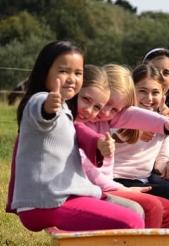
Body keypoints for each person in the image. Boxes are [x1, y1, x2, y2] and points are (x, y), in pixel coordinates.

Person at [8, 40, 145, 231]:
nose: (72, 78)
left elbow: (79, 131)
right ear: (46, 70)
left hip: (64, 194)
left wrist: (99, 143)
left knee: (134, 210)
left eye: (78, 73)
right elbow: (42, 114)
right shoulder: (40, 100)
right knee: (131, 222)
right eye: (64, 71)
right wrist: (48, 106)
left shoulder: (66, 110)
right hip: (47, 201)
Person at [77, 63, 169, 228]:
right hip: (97, 187)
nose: (107, 112)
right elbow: (88, 170)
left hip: (113, 184)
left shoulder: (106, 117)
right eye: (105, 104)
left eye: (115, 109)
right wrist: (121, 189)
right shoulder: (82, 122)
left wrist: (168, 125)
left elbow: (133, 115)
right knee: (151, 207)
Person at [113, 63, 169, 228]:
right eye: (142, 92)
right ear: (131, 92)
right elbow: (110, 134)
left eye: (155, 93)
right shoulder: (120, 115)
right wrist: (132, 132)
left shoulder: (161, 122)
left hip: (140, 181)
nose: (149, 98)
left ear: (163, 96)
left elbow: (161, 158)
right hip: (114, 180)